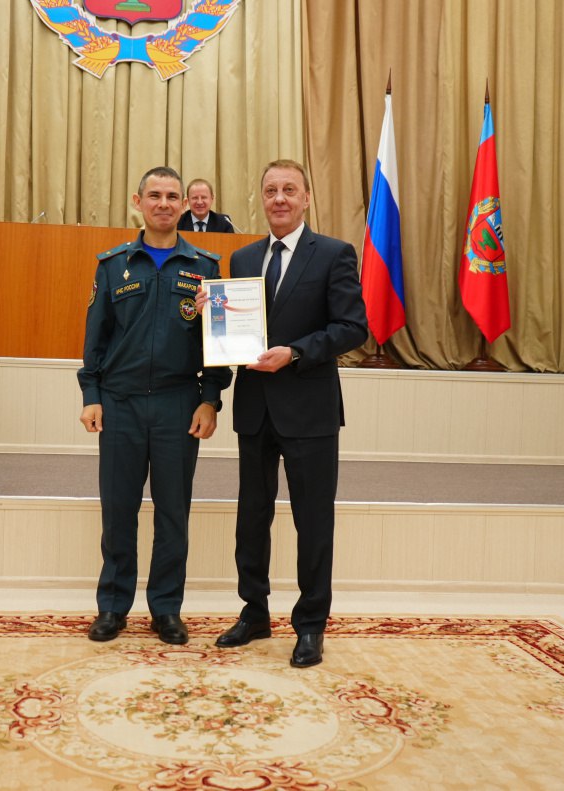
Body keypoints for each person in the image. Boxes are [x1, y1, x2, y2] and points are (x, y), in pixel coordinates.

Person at [200, 159, 367, 668]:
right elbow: (233, 334)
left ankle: (310, 624)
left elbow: (352, 327)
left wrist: (294, 352)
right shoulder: (243, 257)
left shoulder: (334, 254)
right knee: (252, 518)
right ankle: (254, 612)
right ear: (262, 197)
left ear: (306, 198)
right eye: (271, 190)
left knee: (313, 521)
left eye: (289, 190)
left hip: (310, 411)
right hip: (255, 409)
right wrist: (212, 313)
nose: (279, 198)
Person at [78, 166, 233, 646]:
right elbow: (96, 337)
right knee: (117, 511)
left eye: (171, 196)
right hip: (120, 404)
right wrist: (91, 395)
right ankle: (112, 606)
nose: (163, 204)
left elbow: (218, 343)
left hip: (178, 406)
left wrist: (210, 400)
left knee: (172, 514)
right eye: (154, 196)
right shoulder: (113, 265)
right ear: (138, 201)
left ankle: (166, 608)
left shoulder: (205, 267)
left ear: (184, 204)